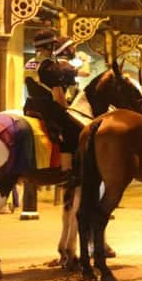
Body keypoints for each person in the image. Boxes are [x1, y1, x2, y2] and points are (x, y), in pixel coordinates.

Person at [23, 30, 90, 180]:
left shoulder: (30, 63)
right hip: (48, 109)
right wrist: (68, 108)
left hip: (31, 106)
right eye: (53, 45)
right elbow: (59, 96)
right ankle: (67, 170)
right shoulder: (51, 67)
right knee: (72, 130)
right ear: (50, 47)